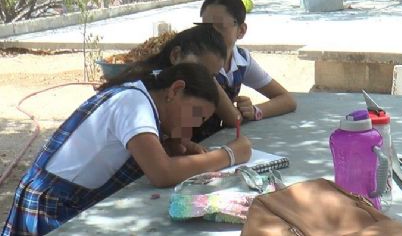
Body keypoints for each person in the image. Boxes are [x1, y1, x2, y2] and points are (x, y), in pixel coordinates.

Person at [2, 63, 252, 235]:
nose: (194, 126)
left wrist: (171, 144)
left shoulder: (139, 98)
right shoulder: (135, 103)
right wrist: (228, 155)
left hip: (67, 200)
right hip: (51, 207)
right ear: (175, 90)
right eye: (195, 115)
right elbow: (161, 173)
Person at [129, 23, 242, 146]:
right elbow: (160, 163)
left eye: (211, 76)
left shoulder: (194, 88)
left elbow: (234, 119)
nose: (202, 78)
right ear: (176, 55)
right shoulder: (148, 92)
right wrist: (229, 155)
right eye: (199, 69)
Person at [200, 0, 297, 133]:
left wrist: (254, 111)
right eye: (206, 28)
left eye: (221, 26)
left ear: (241, 30)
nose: (212, 34)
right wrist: (239, 114)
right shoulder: (196, 61)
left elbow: (288, 100)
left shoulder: (242, 59)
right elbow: (233, 119)